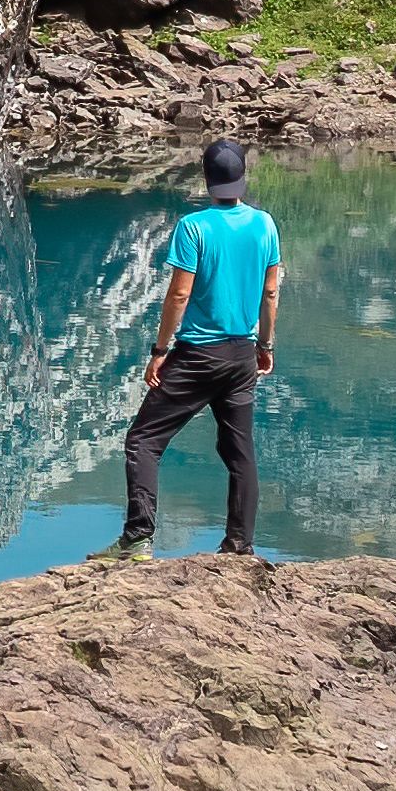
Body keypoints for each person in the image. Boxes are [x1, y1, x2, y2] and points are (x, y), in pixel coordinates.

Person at [109, 138, 282, 561]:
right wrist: (265, 345)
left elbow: (179, 295)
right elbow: (271, 291)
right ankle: (239, 546)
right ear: (243, 176)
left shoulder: (194, 227)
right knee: (240, 452)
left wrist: (160, 349)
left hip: (197, 356)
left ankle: (137, 540)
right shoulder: (265, 225)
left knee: (144, 440)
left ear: (206, 179)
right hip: (242, 354)